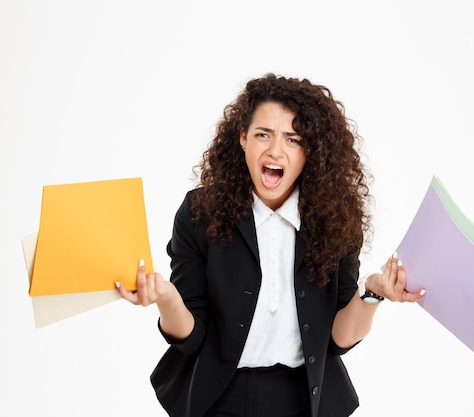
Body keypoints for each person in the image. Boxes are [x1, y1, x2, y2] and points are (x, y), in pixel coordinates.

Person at [115, 73, 425, 417]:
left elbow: (336, 341)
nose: (276, 150)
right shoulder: (200, 213)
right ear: (243, 138)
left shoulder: (335, 219)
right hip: (217, 397)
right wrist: (166, 298)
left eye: (293, 139)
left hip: (304, 399)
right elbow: (191, 336)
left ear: (311, 151)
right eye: (263, 134)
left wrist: (373, 291)